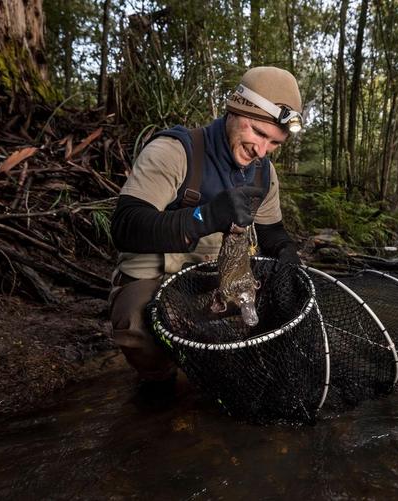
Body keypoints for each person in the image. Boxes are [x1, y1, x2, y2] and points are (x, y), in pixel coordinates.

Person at [109, 66, 302, 387]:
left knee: (279, 298)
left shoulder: (264, 174)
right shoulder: (173, 151)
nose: (262, 150)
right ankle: (159, 377)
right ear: (234, 110)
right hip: (157, 278)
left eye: (274, 143)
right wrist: (207, 216)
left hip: (216, 278)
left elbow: (272, 234)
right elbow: (126, 227)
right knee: (138, 325)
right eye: (257, 131)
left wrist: (286, 249)